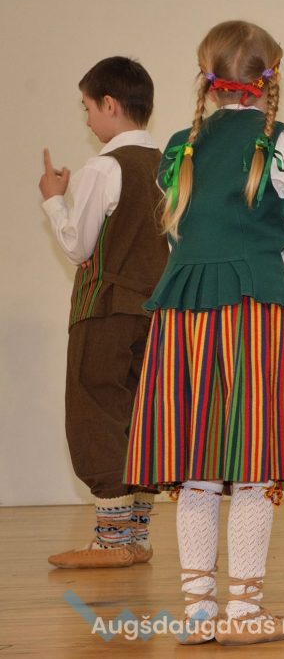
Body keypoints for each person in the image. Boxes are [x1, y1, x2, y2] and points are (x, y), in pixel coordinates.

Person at [124, 21, 284, 645]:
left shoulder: (179, 148)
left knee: (195, 464)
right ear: (270, 79)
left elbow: (175, 233)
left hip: (182, 314)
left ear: (207, 80)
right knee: (253, 462)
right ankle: (244, 611)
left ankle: (197, 613)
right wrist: (265, 272)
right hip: (255, 314)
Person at [40, 57, 167, 569]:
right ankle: (136, 534)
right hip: (156, 310)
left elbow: (79, 245)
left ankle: (112, 539)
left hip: (108, 307)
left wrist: (54, 200)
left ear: (110, 104)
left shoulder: (104, 166)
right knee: (141, 412)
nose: (88, 118)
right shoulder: (169, 163)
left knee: (94, 407)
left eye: (88, 107)